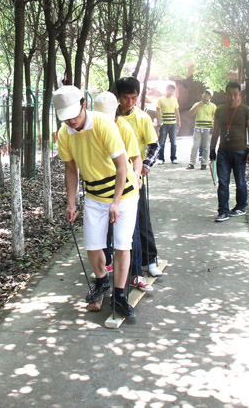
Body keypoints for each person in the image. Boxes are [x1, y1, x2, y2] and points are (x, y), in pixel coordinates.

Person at [54, 85, 138, 317]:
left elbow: (122, 166)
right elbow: (71, 169)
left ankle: (120, 296)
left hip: (124, 193)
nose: (71, 121)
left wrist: (116, 202)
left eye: (74, 115)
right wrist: (71, 202)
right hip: (94, 194)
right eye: (65, 118)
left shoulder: (103, 124)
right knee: (92, 245)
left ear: (83, 105)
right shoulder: (65, 133)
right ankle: (102, 282)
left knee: (122, 245)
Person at [93, 91, 152, 292]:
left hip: (125, 188)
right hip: (102, 188)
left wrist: (136, 175)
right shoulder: (91, 128)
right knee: (104, 231)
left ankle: (136, 273)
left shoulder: (122, 126)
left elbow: (136, 156)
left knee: (129, 234)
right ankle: (107, 266)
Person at [116, 77, 164, 278]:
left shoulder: (142, 118)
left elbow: (155, 146)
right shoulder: (111, 117)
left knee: (141, 219)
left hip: (135, 177)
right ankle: (115, 262)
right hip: (114, 176)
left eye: (133, 98)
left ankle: (150, 259)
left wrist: (145, 166)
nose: (129, 102)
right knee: (117, 222)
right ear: (118, 96)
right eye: (125, 97)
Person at [209, 81, 249, 222]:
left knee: (240, 182)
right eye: (230, 94)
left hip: (240, 152)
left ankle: (241, 207)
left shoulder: (246, 111)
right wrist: (212, 148)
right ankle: (223, 211)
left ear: (240, 95)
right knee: (223, 182)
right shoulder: (220, 110)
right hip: (223, 152)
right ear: (225, 95)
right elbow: (216, 131)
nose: (232, 97)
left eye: (235, 94)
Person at [187, 90, 217, 170]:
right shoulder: (197, 104)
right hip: (198, 129)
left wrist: (213, 127)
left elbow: (216, 118)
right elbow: (190, 113)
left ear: (210, 97)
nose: (205, 96)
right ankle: (191, 163)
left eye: (207, 95)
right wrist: (199, 105)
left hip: (208, 129)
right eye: (204, 94)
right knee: (195, 146)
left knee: (206, 147)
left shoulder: (213, 106)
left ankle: (204, 163)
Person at [157, 84, 181, 164]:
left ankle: (173, 158)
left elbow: (177, 111)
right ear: (166, 90)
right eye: (169, 90)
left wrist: (178, 121)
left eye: (172, 91)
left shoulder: (174, 100)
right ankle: (161, 158)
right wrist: (158, 121)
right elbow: (157, 110)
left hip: (173, 123)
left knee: (173, 142)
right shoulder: (160, 99)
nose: (171, 92)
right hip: (164, 123)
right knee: (162, 141)